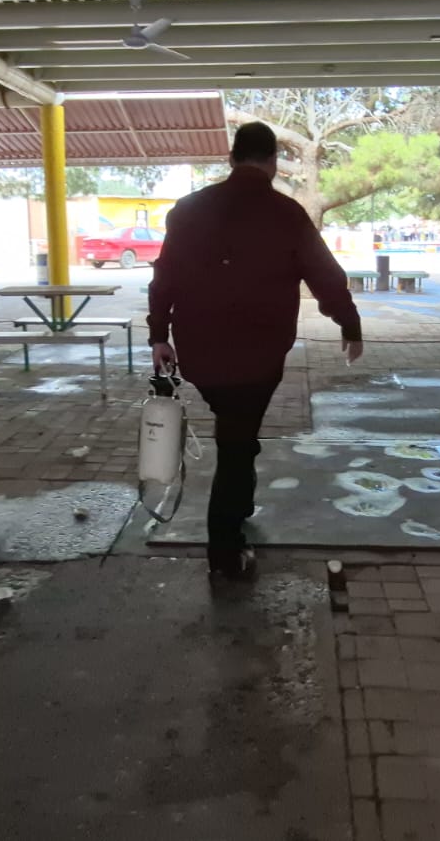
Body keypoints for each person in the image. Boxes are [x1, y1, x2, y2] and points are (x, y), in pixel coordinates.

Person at [149, 122, 364, 579]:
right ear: (272, 162)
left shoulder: (188, 210)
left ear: (231, 158)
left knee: (237, 433)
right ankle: (225, 552)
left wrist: (158, 335)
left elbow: (164, 276)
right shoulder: (286, 213)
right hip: (260, 356)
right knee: (236, 444)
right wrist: (349, 322)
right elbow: (325, 275)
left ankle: (242, 504)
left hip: (200, 351)